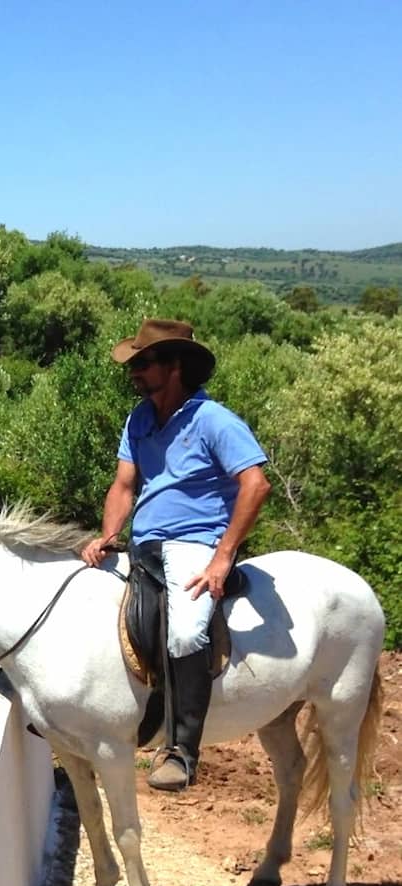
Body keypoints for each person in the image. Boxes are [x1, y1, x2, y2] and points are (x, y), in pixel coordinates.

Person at [81, 318, 271, 791]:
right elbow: (124, 485)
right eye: (134, 363)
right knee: (80, 600)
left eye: (144, 363)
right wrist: (107, 535)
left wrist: (223, 557)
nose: (135, 373)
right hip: (144, 544)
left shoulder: (215, 421)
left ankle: (183, 753)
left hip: (195, 545)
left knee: (185, 634)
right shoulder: (139, 419)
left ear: (175, 367)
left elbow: (255, 484)